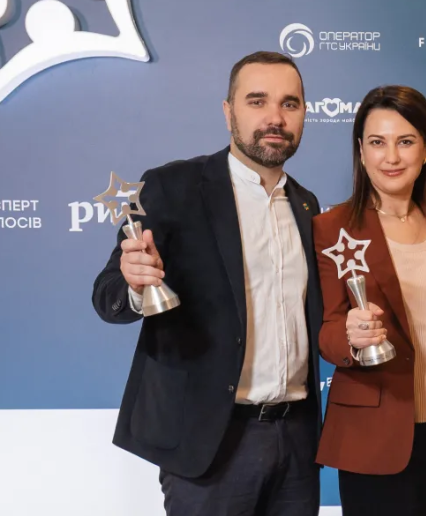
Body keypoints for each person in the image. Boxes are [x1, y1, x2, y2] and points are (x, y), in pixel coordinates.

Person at [91, 50, 323, 515]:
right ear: (228, 111)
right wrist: (134, 286)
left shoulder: (306, 205)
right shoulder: (171, 186)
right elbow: (108, 293)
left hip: (297, 441)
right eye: (257, 101)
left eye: (290, 104)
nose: (275, 118)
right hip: (210, 443)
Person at [312, 85, 426, 516]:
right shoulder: (332, 227)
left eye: (405, 142)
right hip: (374, 434)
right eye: (377, 142)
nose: (391, 157)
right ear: (361, 151)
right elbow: (326, 331)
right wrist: (350, 337)